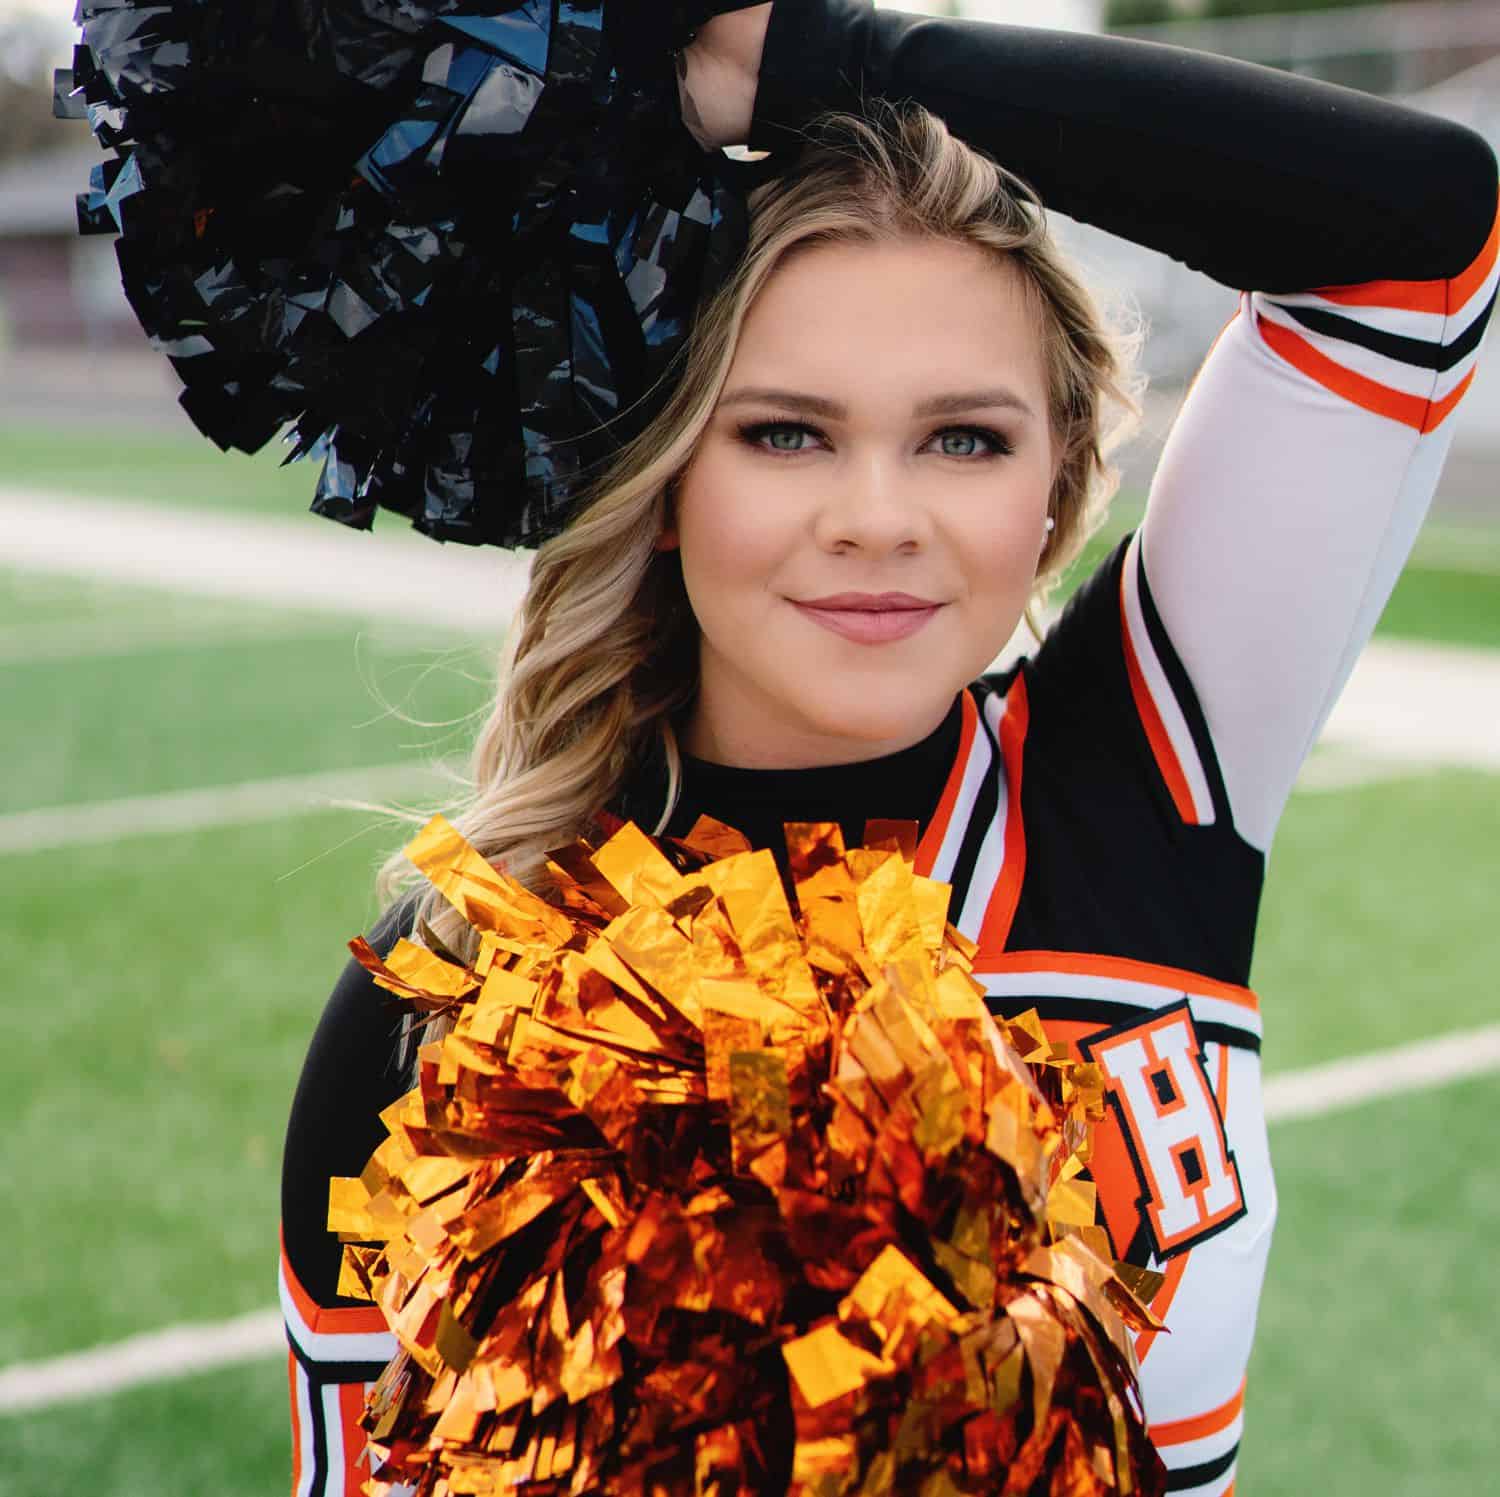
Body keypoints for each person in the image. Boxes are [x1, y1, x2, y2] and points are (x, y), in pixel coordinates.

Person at [278, 3, 1499, 1494]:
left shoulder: (1151, 761)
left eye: (964, 439)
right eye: (785, 433)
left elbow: (1421, 234)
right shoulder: (458, 979)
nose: (878, 515)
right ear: (665, 482)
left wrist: (809, 56)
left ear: (1056, 491)